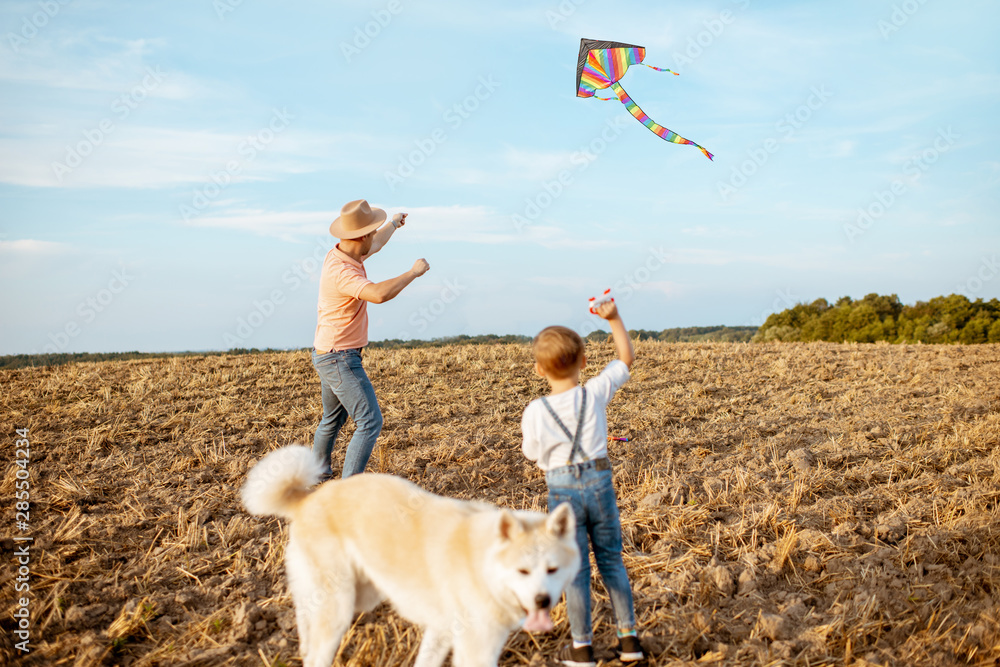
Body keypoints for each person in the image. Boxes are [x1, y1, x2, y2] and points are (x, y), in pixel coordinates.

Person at [520, 300, 644, 667]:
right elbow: (625, 357)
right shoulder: (595, 392)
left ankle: (582, 648)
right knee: (611, 561)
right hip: (600, 481)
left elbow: (531, 453)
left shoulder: (535, 411)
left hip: (561, 492)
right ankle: (629, 642)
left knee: (573, 571)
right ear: (585, 362)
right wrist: (614, 318)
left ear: (539, 369)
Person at [312, 198, 429, 480]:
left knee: (333, 418)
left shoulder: (342, 253)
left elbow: (374, 244)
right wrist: (413, 273)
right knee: (370, 421)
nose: (373, 238)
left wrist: (392, 225)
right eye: (372, 231)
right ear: (360, 236)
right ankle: (350, 489)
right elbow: (378, 294)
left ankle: (315, 474)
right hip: (340, 357)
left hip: (327, 352)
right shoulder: (342, 272)